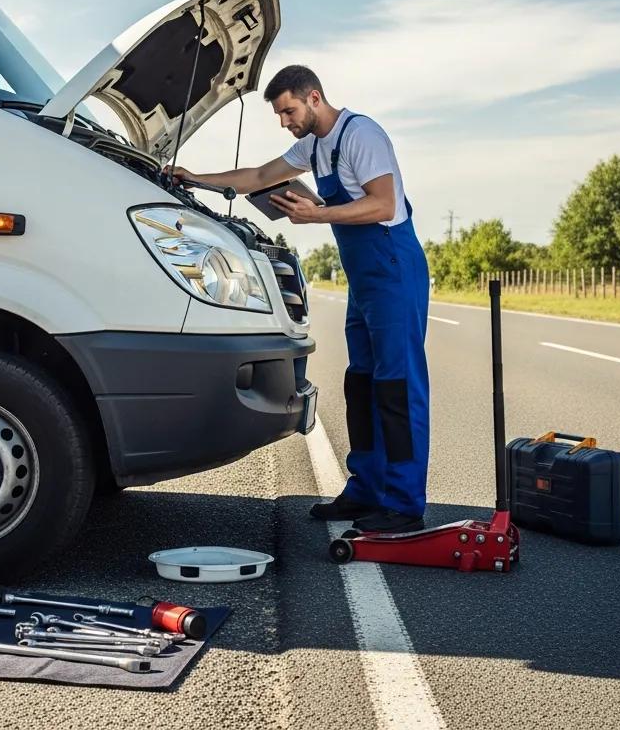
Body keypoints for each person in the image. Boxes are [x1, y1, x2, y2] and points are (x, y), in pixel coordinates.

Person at [167, 65, 430, 532]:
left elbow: (384, 204)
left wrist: (317, 215)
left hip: (393, 268)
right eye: (279, 115)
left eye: (288, 110)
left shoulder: (360, 134)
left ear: (313, 97)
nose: (285, 121)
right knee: (362, 382)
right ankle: (366, 488)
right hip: (365, 278)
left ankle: (405, 503)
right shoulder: (313, 145)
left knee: (397, 384)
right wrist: (195, 179)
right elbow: (260, 174)